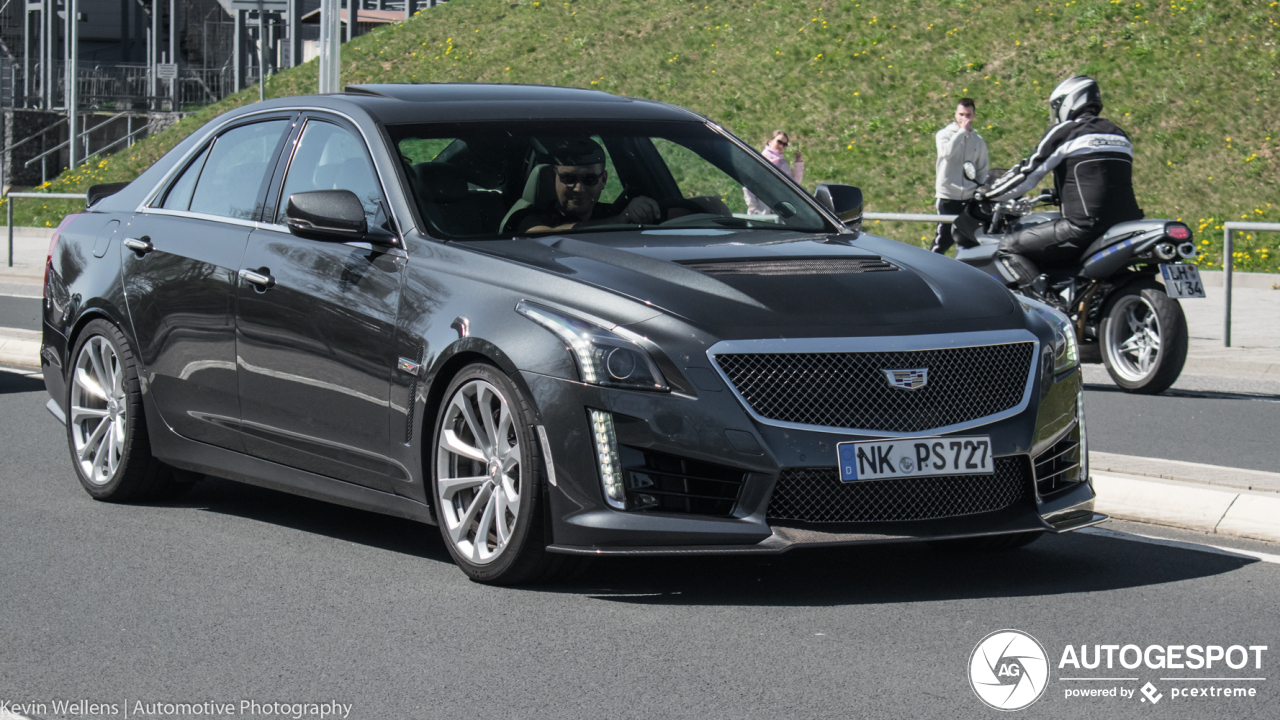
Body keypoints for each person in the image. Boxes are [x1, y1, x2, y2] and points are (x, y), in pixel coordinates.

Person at [982, 76, 1143, 292]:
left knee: (1008, 246)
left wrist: (989, 193)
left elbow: (1027, 173)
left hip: (1083, 226)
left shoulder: (1068, 132)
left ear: (1068, 102)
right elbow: (1098, 176)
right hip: (1126, 224)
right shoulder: (1118, 134)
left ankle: (1046, 306)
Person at [517, 138, 660, 233]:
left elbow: (676, 215)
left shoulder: (616, 212)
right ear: (553, 177)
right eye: (568, 178)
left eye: (589, 179)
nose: (579, 188)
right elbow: (540, 235)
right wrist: (619, 221)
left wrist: (647, 208)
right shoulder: (529, 216)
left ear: (603, 180)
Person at [932, 98, 988, 254]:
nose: (965, 119)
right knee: (944, 237)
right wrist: (961, 132)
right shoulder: (943, 135)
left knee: (969, 237)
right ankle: (928, 266)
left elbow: (983, 167)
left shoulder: (978, 141)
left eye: (968, 115)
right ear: (955, 115)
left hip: (969, 197)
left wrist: (979, 188)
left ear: (974, 115)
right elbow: (947, 153)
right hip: (948, 194)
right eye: (961, 114)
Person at [744, 130, 804, 214]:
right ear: (769, 141)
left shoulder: (783, 164)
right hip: (760, 214)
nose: (781, 145)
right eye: (779, 142)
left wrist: (798, 162)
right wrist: (754, 209)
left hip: (778, 214)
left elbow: (794, 184)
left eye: (784, 144)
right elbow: (748, 188)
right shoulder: (759, 161)